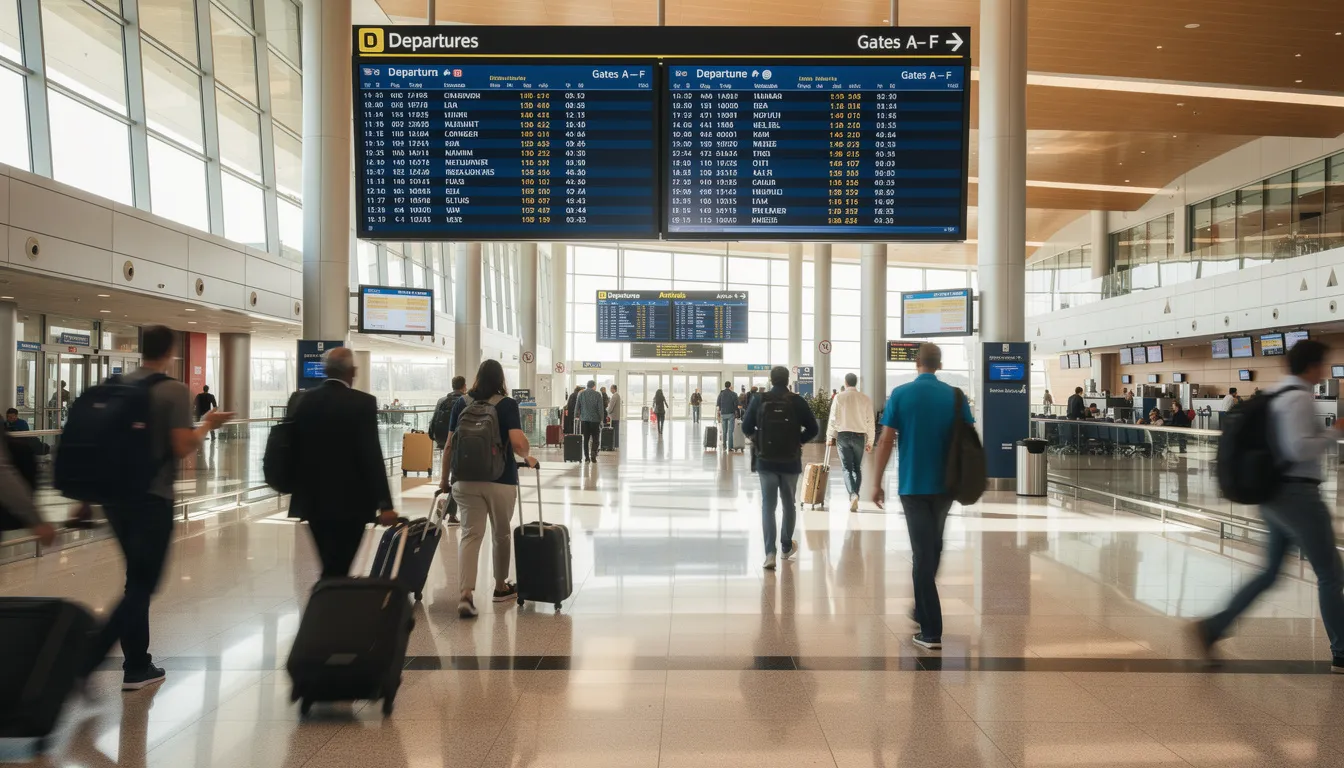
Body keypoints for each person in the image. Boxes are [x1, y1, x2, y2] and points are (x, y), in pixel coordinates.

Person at [79, 325, 232, 691]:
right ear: (170, 351)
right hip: (151, 498)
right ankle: (91, 658)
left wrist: (85, 498)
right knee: (143, 583)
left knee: (137, 580)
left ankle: (137, 664)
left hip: (114, 499)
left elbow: (96, 445)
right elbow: (181, 446)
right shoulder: (173, 390)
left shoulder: (115, 386)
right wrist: (207, 424)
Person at [1193, 339, 1344, 672]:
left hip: (1274, 495)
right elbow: (1297, 449)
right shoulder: (1299, 398)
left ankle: (1214, 627)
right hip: (1297, 495)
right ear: (1312, 366)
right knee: (1331, 574)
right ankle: (1342, 651)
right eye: (1323, 364)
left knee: (1270, 572)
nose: (1325, 371)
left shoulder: (1276, 393)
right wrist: (1335, 432)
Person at [871, 343, 975, 652]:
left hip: (913, 484)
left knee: (922, 554)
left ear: (916, 362)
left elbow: (886, 440)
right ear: (939, 365)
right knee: (933, 547)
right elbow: (968, 436)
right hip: (946, 485)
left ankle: (931, 631)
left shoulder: (901, 394)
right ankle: (921, 606)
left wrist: (876, 482)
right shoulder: (955, 396)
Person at [288, 347, 397, 583]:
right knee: (338, 567)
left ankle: (329, 598)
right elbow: (371, 455)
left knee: (330, 564)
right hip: (352, 503)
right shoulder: (363, 403)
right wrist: (385, 504)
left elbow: (293, 448)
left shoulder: (303, 401)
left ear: (325, 371)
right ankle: (329, 601)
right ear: (353, 371)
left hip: (313, 501)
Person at [440, 359, 538, 618]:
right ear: (500, 379)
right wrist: (528, 455)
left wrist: (444, 480)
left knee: (470, 535)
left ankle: (465, 595)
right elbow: (518, 443)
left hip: (464, 479)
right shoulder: (507, 404)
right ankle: (501, 587)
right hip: (500, 479)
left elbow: (449, 446)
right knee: (501, 534)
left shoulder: (461, 403)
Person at [742, 366, 818, 570]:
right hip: (790, 461)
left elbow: (746, 427)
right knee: (789, 504)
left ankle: (770, 553)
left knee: (768, 506)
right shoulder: (797, 401)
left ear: (771, 380)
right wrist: (798, 440)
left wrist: (758, 440)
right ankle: (786, 545)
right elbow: (814, 428)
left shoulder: (759, 399)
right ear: (787, 380)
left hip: (766, 461)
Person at [827, 373, 874, 513]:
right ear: (856, 382)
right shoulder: (865, 398)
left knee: (846, 468)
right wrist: (870, 441)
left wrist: (829, 436)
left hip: (843, 436)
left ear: (845, 382)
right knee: (856, 468)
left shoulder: (839, 397)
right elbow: (870, 421)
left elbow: (833, 418)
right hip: (859, 436)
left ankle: (853, 494)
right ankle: (855, 495)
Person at [430, 376, 468, 451]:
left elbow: (434, 420)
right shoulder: (466, 401)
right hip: (458, 439)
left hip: (441, 439)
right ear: (464, 386)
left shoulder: (441, 400)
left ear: (452, 386)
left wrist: (433, 436)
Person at [577, 380, 605, 463]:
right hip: (595, 420)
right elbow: (600, 408)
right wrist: (601, 419)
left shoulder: (581, 394)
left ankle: (586, 457)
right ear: (594, 386)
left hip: (585, 420)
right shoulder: (598, 394)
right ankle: (593, 454)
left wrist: (576, 415)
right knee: (595, 438)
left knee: (586, 439)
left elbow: (577, 406)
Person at [716, 381, 739, 451]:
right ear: (730, 386)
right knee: (730, 431)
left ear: (725, 386)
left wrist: (719, 412)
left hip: (723, 414)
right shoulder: (734, 394)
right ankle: (730, 447)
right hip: (731, 413)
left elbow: (718, 403)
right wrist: (737, 412)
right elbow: (736, 405)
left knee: (724, 431)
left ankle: (724, 446)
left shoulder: (721, 394)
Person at [607, 384, 623, 448]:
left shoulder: (615, 396)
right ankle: (616, 444)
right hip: (616, 416)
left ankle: (615, 444)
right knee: (616, 431)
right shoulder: (617, 395)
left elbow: (611, 407)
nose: (610, 390)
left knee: (614, 431)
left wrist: (607, 411)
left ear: (614, 389)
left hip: (614, 417)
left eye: (611, 388)